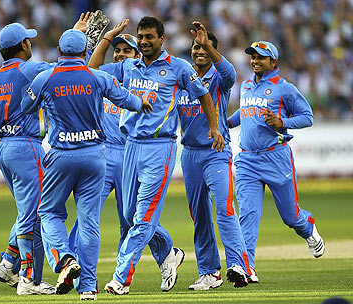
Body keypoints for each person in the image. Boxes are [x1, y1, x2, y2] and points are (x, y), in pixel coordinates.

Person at [88, 16, 223, 295]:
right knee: (129, 216)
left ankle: (121, 278)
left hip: (160, 148)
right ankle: (169, 254)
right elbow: (93, 69)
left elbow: (205, 96)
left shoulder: (179, 68)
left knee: (143, 218)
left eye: (149, 37)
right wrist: (108, 37)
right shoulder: (128, 66)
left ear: (162, 39)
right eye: (141, 36)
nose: (144, 41)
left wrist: (213, 127)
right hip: (130, 146)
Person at [21, 28, 152, 301]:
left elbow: (26, 107)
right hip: (95, 155)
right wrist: (143, 104)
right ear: (84, 53)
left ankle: (65, 259)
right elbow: (127, 100)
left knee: (49, 212)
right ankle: (89, 287)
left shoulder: (46, 78)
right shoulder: (99, 77)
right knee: (90, 222)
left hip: (60, 155)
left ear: (60, 53)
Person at [227, 40, 325, 283]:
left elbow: (307, 117)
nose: (255, 61)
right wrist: (225, 123)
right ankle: (246, 267)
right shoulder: (247, 85)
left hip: (276, 158)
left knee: (290, 217)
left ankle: (308, 227)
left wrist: (283, 123)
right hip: (247, 159)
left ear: (273, 62)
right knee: (247, 215)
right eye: (253, 56)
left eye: (261, 57)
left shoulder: (284, 88)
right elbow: (244, 113)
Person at [0, 22, 56, 295]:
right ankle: (29, 279)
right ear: (23, 45)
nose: (31, 44)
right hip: (27, 146)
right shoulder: (29, 68)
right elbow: (63, 71)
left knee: (29, 210)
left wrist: (7, 124)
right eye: (29, 41)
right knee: (35, 213)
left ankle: (8, 261)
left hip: (4, 148)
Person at [177, 21, 250, 289]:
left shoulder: (220, 79)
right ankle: (209, 272)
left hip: (216, 153)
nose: (200, 51)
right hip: (190, 154)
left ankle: (239, 266)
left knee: (225, 209)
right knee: (200, 216)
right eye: (196, 47)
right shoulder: (183, 77)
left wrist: (208, 42)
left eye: (205, 48)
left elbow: (230, 72)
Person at [68, 33, 141, 254]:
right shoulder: (104, 78)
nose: (120, 55)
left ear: (137, 56)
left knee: (130, 220)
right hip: (105, 152)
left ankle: (123, 272)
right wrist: (106, 40)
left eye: (126, 51)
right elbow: (90, 67)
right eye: (117, 51)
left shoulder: (141, 80)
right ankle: (71, 265)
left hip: (131, 153)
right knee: (86, 215)